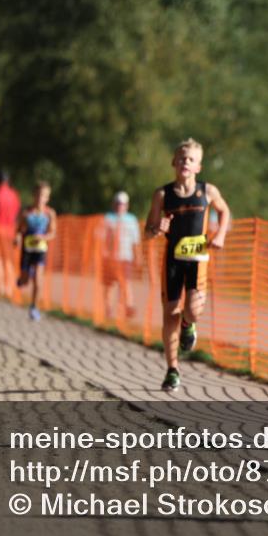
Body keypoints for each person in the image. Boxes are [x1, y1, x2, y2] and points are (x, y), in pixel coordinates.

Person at [144, 139, 231, 392]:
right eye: (182, 158)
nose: (186, 162)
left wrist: (220, 234)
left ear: (198, 167)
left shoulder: (207, 191)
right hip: (172, 260)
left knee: (193, 310)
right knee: (170, 313)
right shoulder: (162, 194)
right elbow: (148, 231)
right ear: (174, 162)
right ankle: (172, 369)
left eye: (191, 159)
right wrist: (157, 228)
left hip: (197, 259)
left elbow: (224, 211)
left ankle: (188, 323)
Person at [15, 182, 56, 321]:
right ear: (34, 195)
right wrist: (17, 238)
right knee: (25, 281)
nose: (40, 198)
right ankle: (23, 278)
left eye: (43, 196)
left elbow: (52, 233)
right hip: (27, 250)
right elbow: (19, 230)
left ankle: (34, 307)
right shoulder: (26, 213)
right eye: (38, 195)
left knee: (38, 280)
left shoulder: (50, 214)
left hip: (40, 250)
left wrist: (43, 237)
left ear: (47, 198)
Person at [102, 191, 141, 322]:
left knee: (125, 283)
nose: (120, 206)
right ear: (114, 204)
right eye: (118, 203)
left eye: (123, 204)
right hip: (110, 258)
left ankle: (126, 307)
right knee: (109, 285)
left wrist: (137, 256)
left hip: (125, 258)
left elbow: (136, 241)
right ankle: (108, 311)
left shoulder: (132, 220)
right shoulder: (108, 219)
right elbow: (102, 238)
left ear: (127, 205)